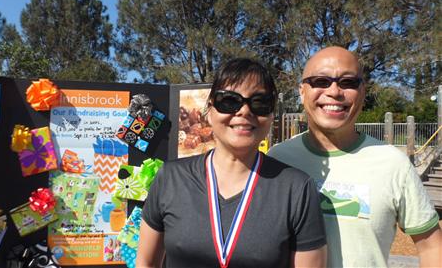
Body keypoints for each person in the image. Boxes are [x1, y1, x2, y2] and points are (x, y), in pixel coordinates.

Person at [137, 58, 327, 267]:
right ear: (209, 111)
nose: (244, 111)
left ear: (271, 115)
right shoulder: (170, 178)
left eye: (259, 102)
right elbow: (146, 262)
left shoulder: (297, 189)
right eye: (229, 101)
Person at [268, 46, 442, 267]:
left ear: (363, 91)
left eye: (348, 82)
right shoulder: (278, 159)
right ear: (302, 91)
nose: (334, 91)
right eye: (320, 81)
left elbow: (432, 246)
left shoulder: (392, 164)